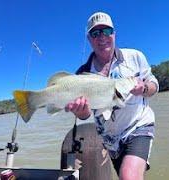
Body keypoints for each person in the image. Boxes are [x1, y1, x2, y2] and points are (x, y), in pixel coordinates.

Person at [65, 12, 159, 180]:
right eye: (95, 33)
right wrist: (80, 112)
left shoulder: (135, 57)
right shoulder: (81, 74)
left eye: (107, 31)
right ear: (89, 39)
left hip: (138, 125)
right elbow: (86, 115)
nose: (102, 37)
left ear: (114, 34)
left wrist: (143, 88)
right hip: (110, 140)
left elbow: (154, 85)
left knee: (128, 176)